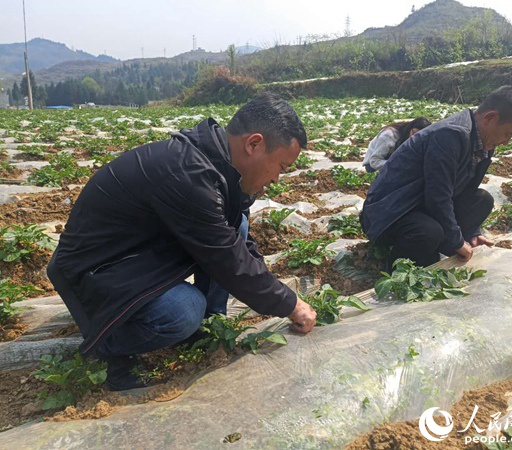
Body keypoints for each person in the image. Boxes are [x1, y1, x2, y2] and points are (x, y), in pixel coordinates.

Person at [47, 93, 317, 391]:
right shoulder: (188, 174)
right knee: (183, 311)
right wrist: (290, 303)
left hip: (134, 253)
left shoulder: (216, 167)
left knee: (236, 224)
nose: (278, 179)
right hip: (94, 270)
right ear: (253, 144)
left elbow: (236, 245)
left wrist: (272, 287)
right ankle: (111, 345)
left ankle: (207, 327)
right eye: (281, 165)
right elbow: (227, 259)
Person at [360, 85, 512, 269]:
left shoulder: (485, 143)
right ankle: (396, 267)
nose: (507, 142)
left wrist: (471, 233)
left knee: (482, 200)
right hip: (389, 212)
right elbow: (438, 196)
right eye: (509, 134)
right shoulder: (450, 135)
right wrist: (457, 242)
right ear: (490, 118)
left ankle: (436, 245)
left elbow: (466, 191)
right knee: (429, 233)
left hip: (419, 205)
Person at [362, 117, 432, 173]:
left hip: (394, 160)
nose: (416, 138)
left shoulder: (416, 138)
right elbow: (374, 162)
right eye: (414, 134)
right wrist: (400, 165)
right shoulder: (389, 135)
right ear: (410, 128)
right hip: (373, 166)